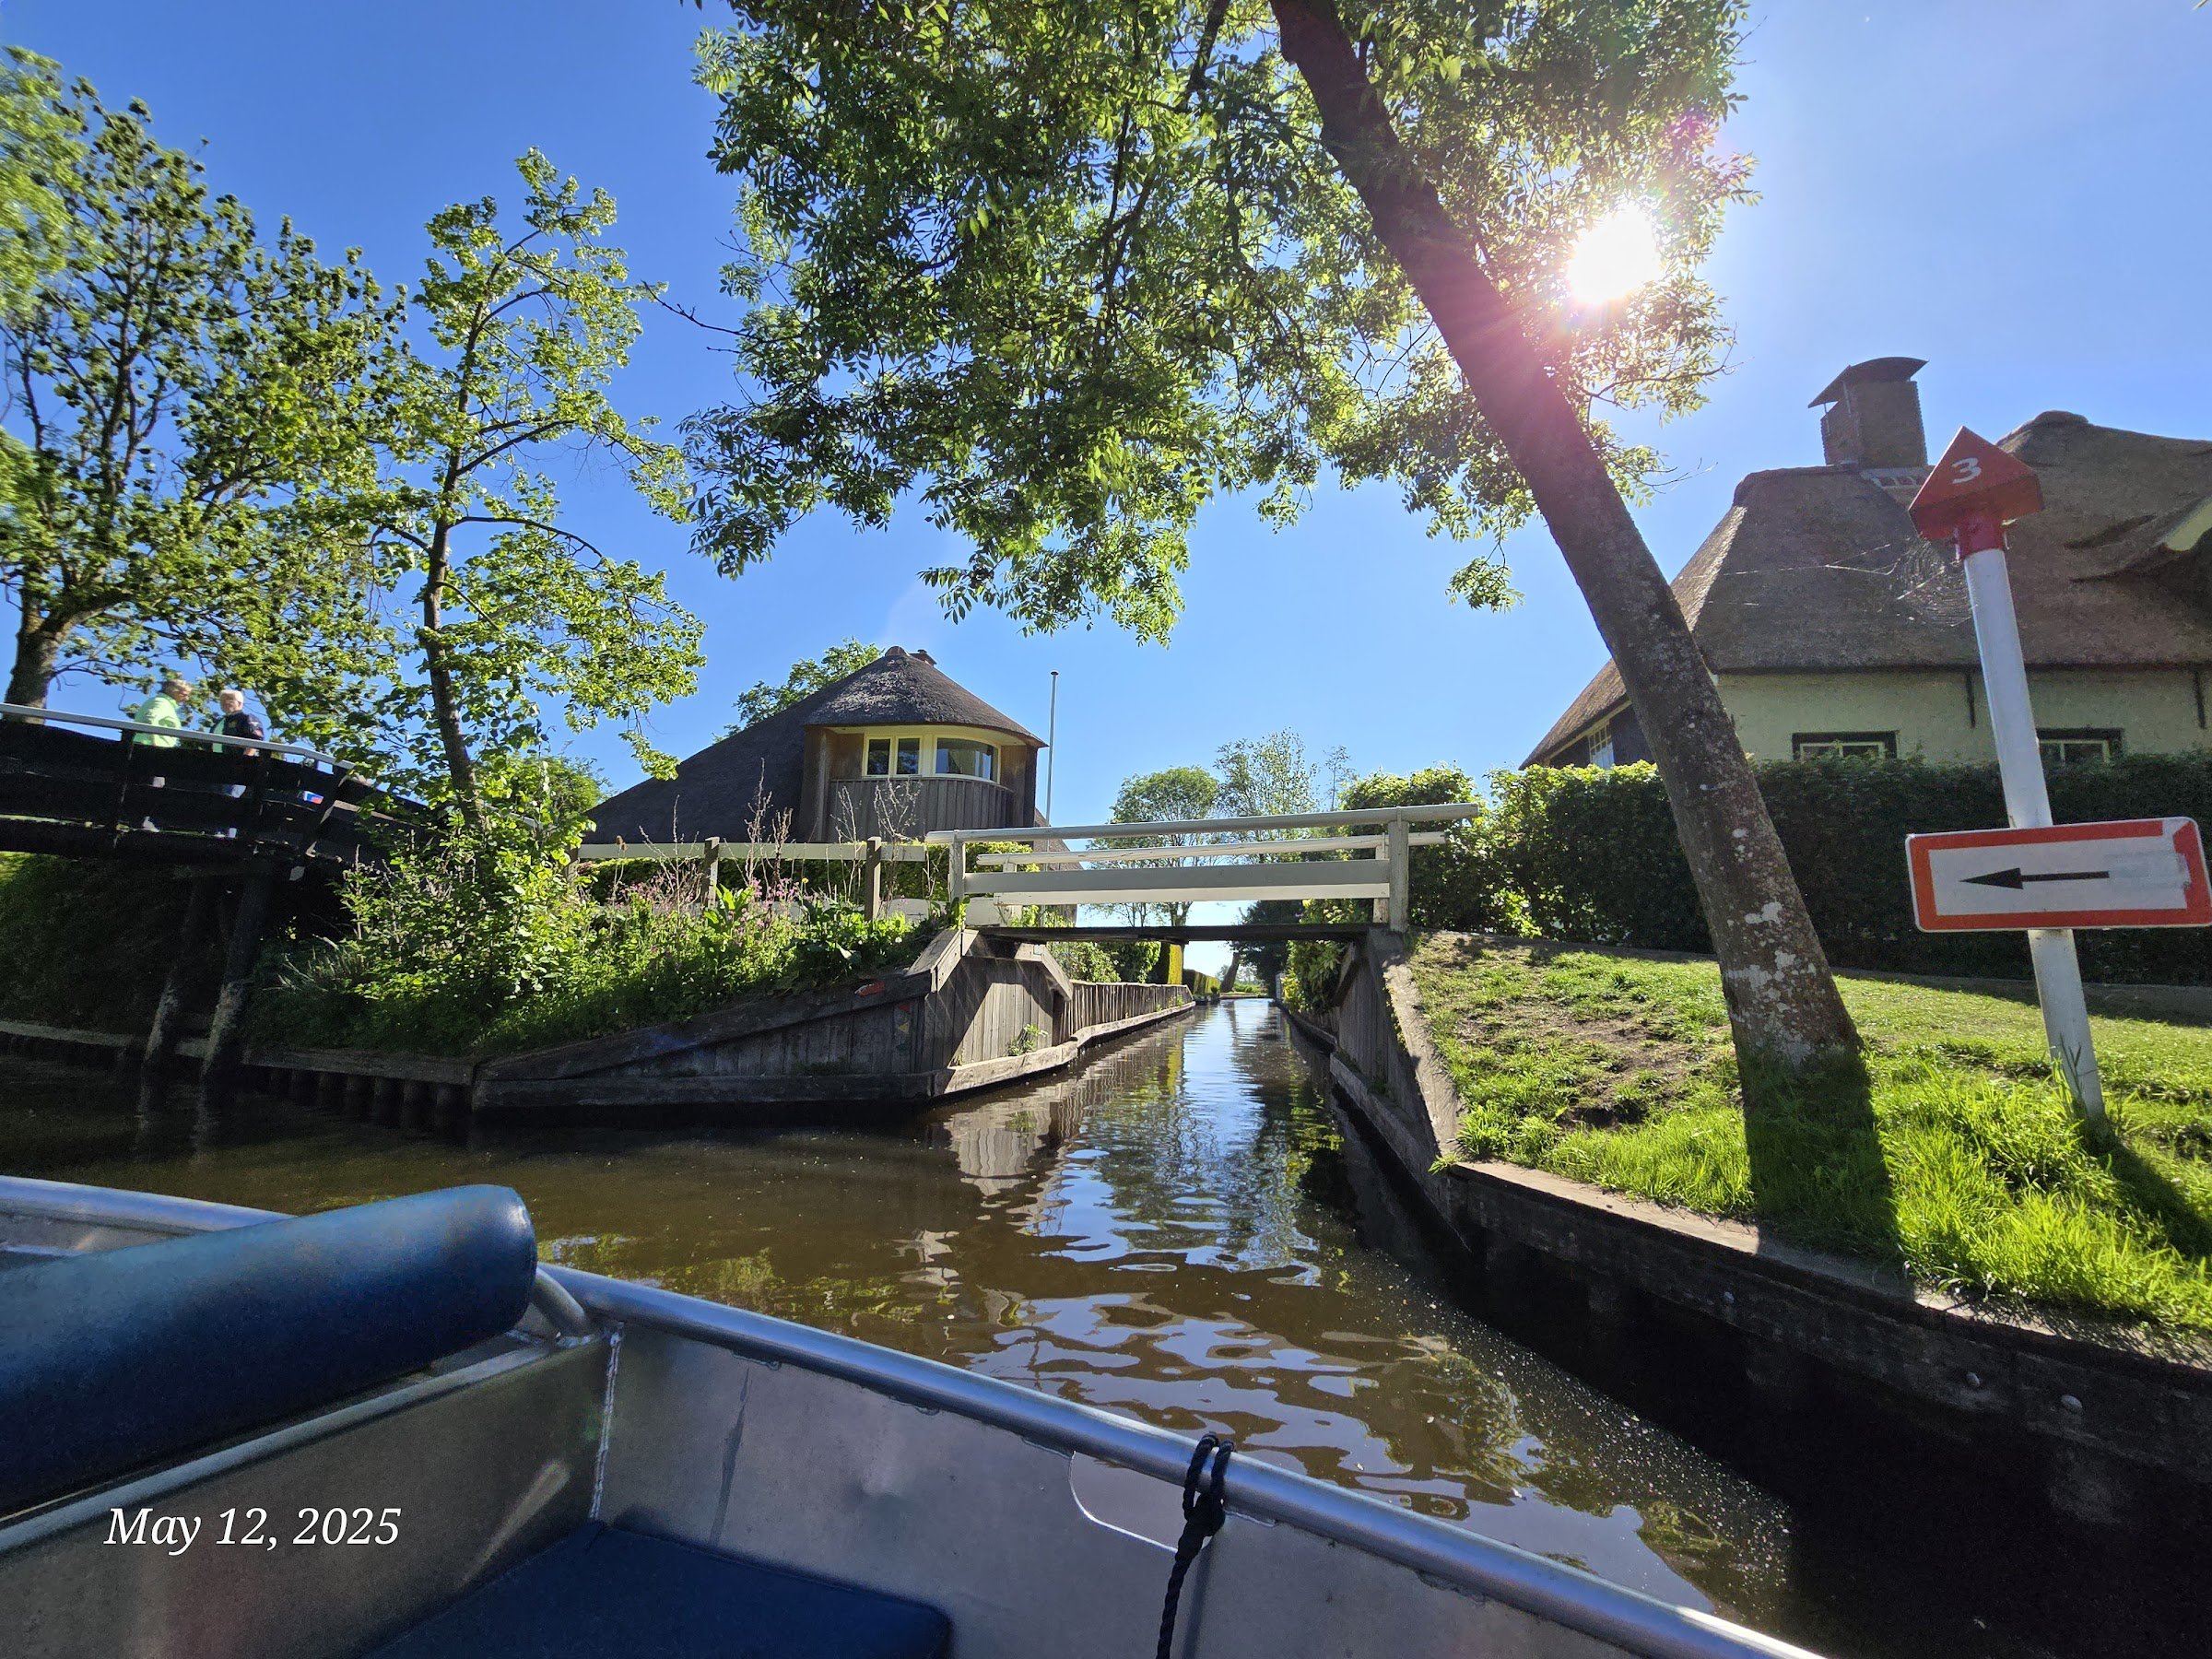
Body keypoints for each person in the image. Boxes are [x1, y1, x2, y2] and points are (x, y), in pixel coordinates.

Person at [127, 677, 192, 747]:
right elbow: (148, 720)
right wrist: (154, 743)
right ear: (171, 690)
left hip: (153, 747)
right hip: (149, 747)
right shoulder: (162, 702)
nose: (187, 698)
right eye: (184, 694)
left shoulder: (166, 704)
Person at [215, 687, 265, 757]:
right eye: (222, 701)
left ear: (239, 703)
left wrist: (244, 761)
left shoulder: (247, 718)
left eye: (229, 700)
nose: (225, 703)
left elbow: (255, 740)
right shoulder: (218, 723)